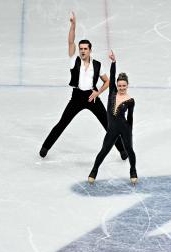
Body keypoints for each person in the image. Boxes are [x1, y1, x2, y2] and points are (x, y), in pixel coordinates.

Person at [39, 12, 126, 160]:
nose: (82, 51)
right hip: (77, 97)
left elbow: (107, 81)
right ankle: (45, 147)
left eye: (85, 48)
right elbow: (70, 42)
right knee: (62, 122)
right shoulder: (74, 61)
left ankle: (122, 150)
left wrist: (97, 93)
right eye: (81, 48)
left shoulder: (98, 65)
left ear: (90, 50)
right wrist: (73, 25)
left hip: (91, 97)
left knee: (107, 124)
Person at [88, 50, 137, 184]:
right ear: (117, 85)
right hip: (112, 130)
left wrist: (130, 132)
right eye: (120, 85)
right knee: (104, 150)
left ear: (127, 86)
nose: (121, 87)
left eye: (124, 85)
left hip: (125, 129)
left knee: (130, 151)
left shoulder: (130, 100)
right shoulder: (112, 92)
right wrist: (113, 62)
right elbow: (112, 74)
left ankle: (133, 170)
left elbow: (130, 118)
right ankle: (94, 170)